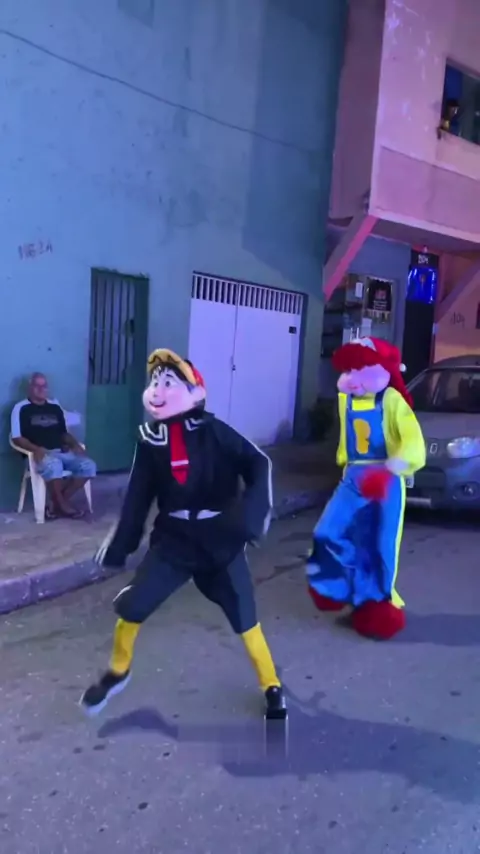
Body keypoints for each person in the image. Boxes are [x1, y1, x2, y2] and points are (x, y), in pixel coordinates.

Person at [80, 348, 287, 724]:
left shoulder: (215, 431)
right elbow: (138, 497)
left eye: (169, 382)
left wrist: (250, 516)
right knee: (133, 605)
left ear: (196, 393)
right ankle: (118, 670)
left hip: (219, 540)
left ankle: (271, 684)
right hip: (174, 540)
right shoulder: (150, 441)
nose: (157, 390)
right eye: (155, 382)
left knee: (245, 617)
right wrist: (121, 545)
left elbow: (259, 462)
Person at [306, 337, 426, 640]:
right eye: (348, 370)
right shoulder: (345, 399)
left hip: (384, 479)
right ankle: (336, 588)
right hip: (353, 478)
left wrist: (394, 466)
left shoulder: (392, 401)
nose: (352, 378)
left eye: (360, 369)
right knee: (328, 531)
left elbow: (414, 443)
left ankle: (375, 607)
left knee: (379, 545)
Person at [10, 372, 96, 519]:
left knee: (88, 466)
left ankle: (55, 504)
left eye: (44, 386)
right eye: (37, 386)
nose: (41, 389)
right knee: (54, 465)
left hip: (61, 452)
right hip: (38, 454)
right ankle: (63, 506)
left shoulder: (55, 407)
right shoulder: (20, 408)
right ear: (30, 388)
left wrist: (75, 444)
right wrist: (36, 449)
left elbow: (63, 433)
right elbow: (17, 437)